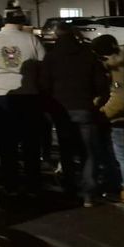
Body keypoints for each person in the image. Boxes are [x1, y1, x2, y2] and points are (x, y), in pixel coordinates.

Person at [0, 1, 45, 197]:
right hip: (29, 95)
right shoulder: (31, 40)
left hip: (0, 94)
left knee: (7, 142)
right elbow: (43, 64)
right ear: (21, 21)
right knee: (30, 141)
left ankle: (11, 182)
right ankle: (33, 182)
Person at [40, 26, 109, 206]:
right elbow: (102, 84)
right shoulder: (88, 56)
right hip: (84, 107)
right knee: (87, 151)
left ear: (57, 37)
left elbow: (44, 86)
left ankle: (69, 188)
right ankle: (88, 192)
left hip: (61, 110)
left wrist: (49, 108)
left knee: (66, 151)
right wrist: (98, 101)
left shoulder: (52, 57)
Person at [92, 34, 124, 204]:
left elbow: (120, 99)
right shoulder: (117, 65)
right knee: (114, 153)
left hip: (116, 118)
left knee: (120, 153)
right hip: (116, 116)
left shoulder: (118, 69)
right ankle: (118, 184)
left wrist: (102, 113)